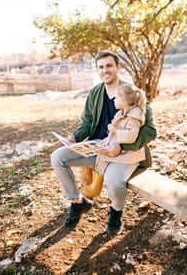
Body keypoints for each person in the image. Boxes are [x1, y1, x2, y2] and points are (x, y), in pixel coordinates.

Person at [51, 50, 157, 235]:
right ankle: (78, 203)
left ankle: (115, 214)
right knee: (58, 157)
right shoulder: (95, 92)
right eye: (101, 67)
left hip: (124, 152)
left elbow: (150, 130)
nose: (105, 70)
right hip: (99, 147)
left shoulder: (133, 93)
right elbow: (87, 122)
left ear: (118, 67)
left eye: (109, 65)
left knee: (113, 185)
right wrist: (74, 138)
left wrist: (121, 146)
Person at [82, 83, 147, 198]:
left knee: (104, 157)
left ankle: (96, 187)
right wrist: (111, 129)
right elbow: (115, 124)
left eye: (116, 98)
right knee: (96, 152)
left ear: (124, 102)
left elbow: (131, 136)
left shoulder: (134, 117)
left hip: (127, 153)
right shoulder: (120, 112)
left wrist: (116, 131)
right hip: (114, 143)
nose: (113, 100)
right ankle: (93, 183)